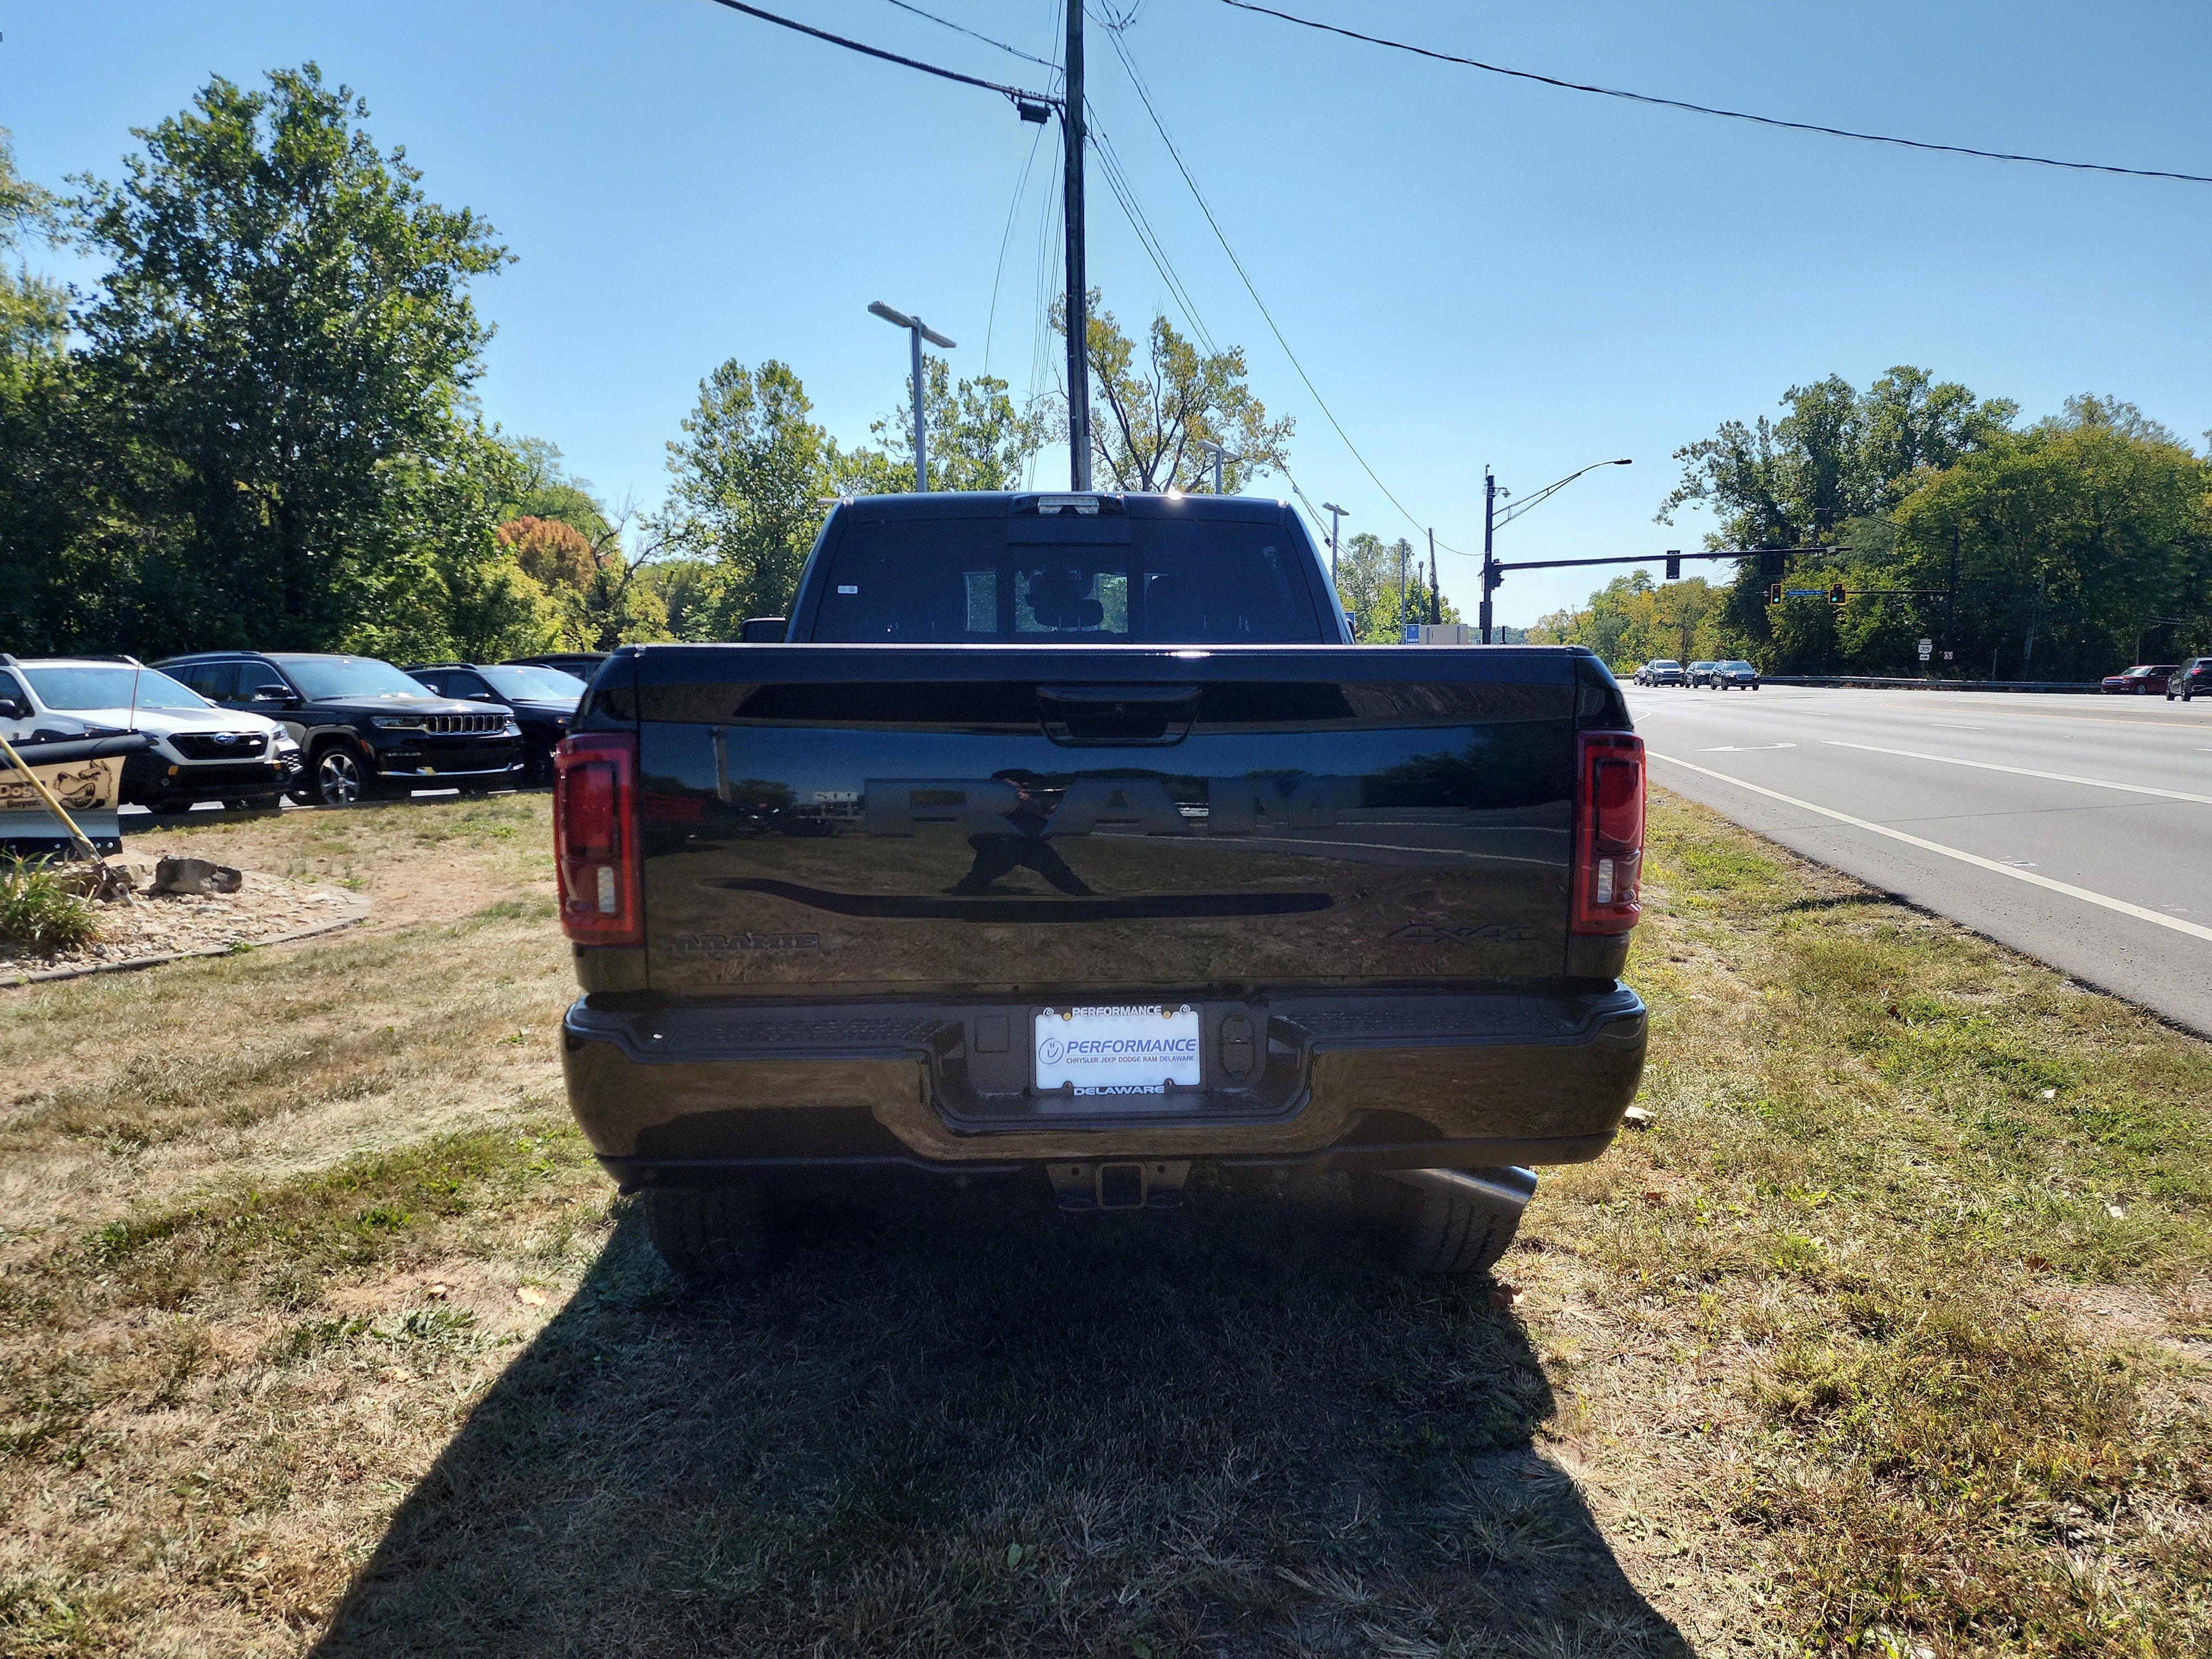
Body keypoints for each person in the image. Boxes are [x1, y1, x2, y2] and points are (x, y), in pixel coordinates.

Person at [948, 770, 1095, 896]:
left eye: (1027, 781)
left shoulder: (1031, 799)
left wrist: (1059, 802)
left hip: (1030, 846)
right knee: (976, 881)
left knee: (1063, 876)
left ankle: (1090, 899)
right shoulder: (993, 798)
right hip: (999, 847)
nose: (1024, 784)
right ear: (1000, 783)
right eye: (1017, 780)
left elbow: (1050, 815)